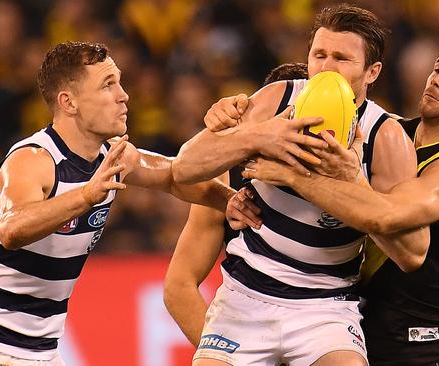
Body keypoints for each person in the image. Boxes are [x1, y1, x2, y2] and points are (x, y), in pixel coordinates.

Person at [0, 41, 245, 365]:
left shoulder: (113, 156)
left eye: (119, 82)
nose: (124, 95)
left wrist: (229, 201)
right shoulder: (33, 159)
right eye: (108, 85)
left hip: (42, 352)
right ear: (69, 102)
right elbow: (12, 228)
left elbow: (175, 175)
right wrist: (85, 196)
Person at [237, 27, 439, 366]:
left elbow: (384, 215)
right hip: (376, 336)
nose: (436, 79)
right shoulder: (391, 136)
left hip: (436, 346)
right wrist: (234, 112)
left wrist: (293, 175)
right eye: (438, 68)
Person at [171, 4, 425, 365]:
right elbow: (184, 169)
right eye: (319, 54)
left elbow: (412, 253)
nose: (326, 66)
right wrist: (256, 136)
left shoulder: (384, 137)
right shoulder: (276, 100)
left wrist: (351, 182)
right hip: (245, 300)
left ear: (372, 72)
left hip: (325, 307)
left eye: (342, 58)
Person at [163, 62, 310, 348]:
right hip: (251, 323)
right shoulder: (225, 176)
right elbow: (179, 287)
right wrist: (227, 353)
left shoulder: (348, 171)